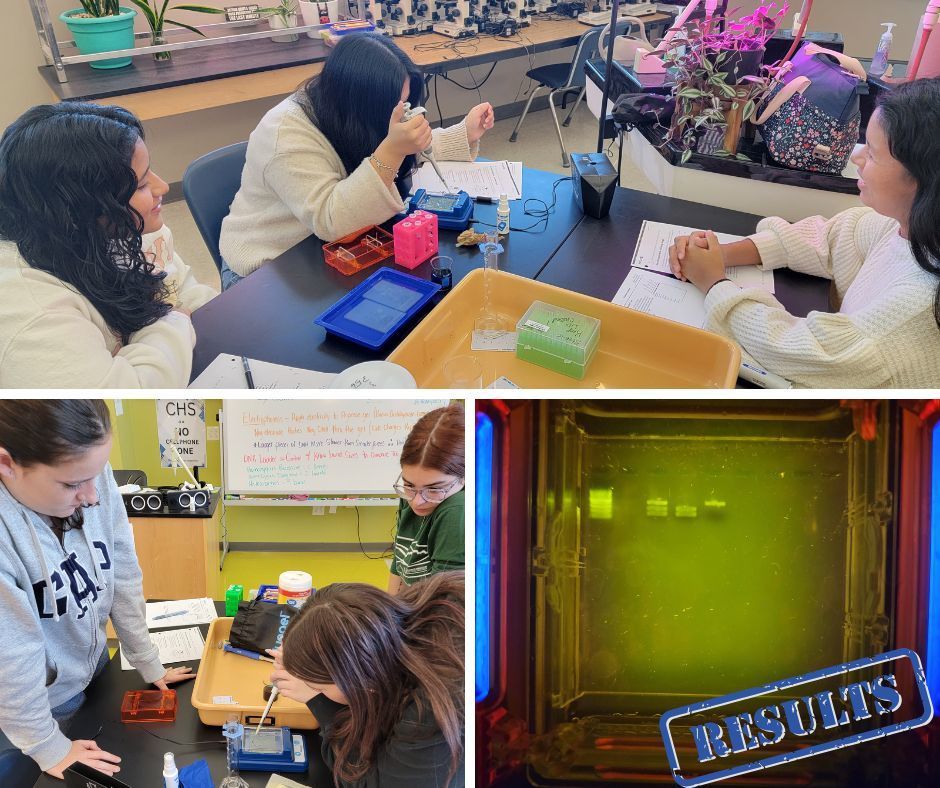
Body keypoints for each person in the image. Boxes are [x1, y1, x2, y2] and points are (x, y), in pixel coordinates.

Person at [668, 77, 940, 388]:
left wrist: (714, 282)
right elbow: (830, 238)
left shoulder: (915, 310)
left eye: (873, 154)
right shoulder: (906, 228)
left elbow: (794, 349)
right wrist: (720, 255)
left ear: (922, 178)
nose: (857, 157)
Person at [0, 400, 194, 783]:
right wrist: (47, 747)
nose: (92, 496)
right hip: (35, 707)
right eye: (72, 484)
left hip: (94, 672)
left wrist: (146, 658)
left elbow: (122, 570)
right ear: (7, 464)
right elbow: (12, 654)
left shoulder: (90, 476)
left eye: (97, 474)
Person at [219, 33, 495, 288]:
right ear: (362, 103)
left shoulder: (346, 111)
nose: (403, 113)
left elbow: (399, 143)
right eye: (396, 107)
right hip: (268, 269)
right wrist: (392, 150)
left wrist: (464, 134)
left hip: (334, 250)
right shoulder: (285, 134)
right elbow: (332, 221)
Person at [0, 102, 218, 388]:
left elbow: (184, 289)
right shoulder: (33, 312)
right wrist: (173, 321)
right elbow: (126, 400)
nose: (163, 187)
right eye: (141, 185)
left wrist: (206, 319)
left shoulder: (120, 230)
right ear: (82, 210)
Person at [269, 571, 465, 787]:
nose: (312, 689)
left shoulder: (428, 712)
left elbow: (368, 781)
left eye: (318, 687)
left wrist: (319, 701)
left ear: (360, 679)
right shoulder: (417, 607)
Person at [388, 404, 465, 595]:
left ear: (464, 477)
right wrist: (389, 606)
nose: (416, 502)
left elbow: (443, 598)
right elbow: (400, 560)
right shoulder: (412, 495)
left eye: (434, 489)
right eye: (408, 485)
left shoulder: (457, 510)